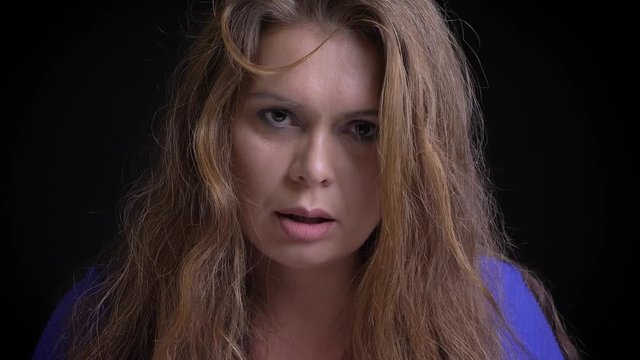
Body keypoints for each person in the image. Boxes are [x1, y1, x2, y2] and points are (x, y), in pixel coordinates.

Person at [33, 0, 580, 359]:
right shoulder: (102, 319)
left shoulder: (495, 315)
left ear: (418, 157)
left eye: (363, 130)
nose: (313, 170)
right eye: (279, 117)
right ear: (214, 128)